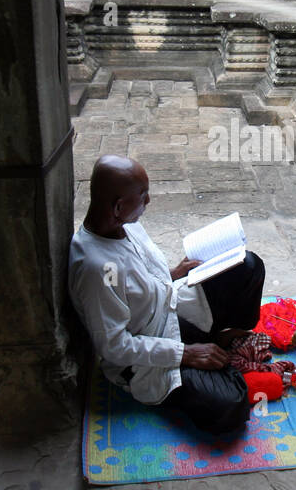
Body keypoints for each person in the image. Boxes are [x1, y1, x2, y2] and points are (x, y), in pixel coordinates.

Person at [68, 154, 267, 435]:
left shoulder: (125, 223)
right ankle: (210, 355)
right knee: (231, 407)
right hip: (146, 353)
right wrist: (185, 353)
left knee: (248, 265)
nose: (148, 202)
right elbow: (114, 346)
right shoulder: (99, 269)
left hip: (167, 308)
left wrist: (175, 272)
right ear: (118, 206)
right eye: (143, 195)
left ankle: (213, 343)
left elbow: (138, 280)